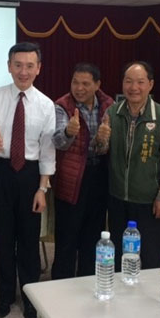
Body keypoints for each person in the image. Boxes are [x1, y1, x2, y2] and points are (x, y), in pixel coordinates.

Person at [0, 42, 55, 318]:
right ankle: (5, 296)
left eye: (29, 66)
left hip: (30, 176)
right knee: (4, 237)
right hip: (0, 172)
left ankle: (31, 298)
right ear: (9, 66)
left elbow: (47, 151)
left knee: (29, 240)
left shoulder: (46, 104)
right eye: (18, 65)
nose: (24, 71)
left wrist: (42, 188)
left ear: (38, 68)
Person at [104, 61, 160, 270]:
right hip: (118, 199)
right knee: (118, 257)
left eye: (140, 82)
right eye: (128, 81)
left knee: (151, 256)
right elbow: (101, 150)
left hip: (149, 201)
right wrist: (100, 139)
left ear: (150, 84)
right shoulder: (112, 113)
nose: (133, 87)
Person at [51, 62, 114, 279]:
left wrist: (102, 141)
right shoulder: (62, 106)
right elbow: (58, 142)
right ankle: (61, 284)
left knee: (93, 234)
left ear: (97, 85)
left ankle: (88, 280)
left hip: (98, 176)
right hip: (70, 178)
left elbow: (106, 148)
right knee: (67, 237)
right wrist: (69, 132)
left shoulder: (109, 106)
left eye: (85, 84)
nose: (79, 88)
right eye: (75, 82)